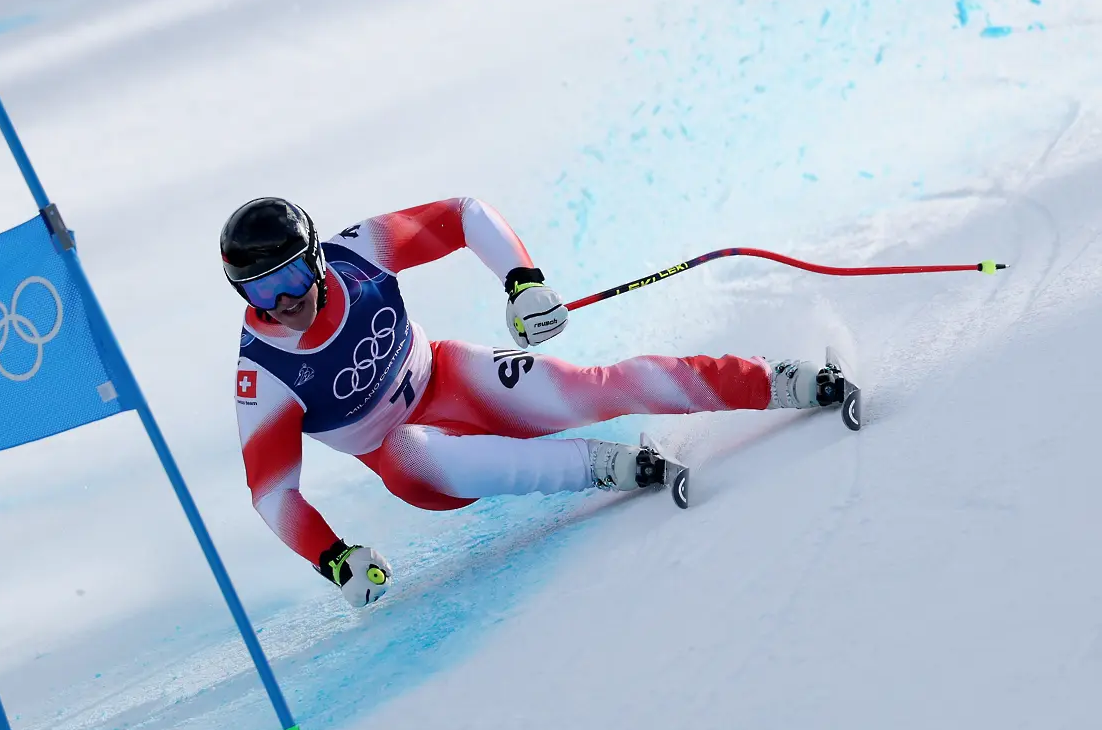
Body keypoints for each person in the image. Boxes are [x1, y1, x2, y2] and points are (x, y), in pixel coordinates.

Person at [223, 197, 846, 608]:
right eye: (260, 290)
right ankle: (604, 466)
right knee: (417, 451)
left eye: (291, 277)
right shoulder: (264, 375)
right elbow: (273, 493)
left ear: (315, 260)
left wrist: (523, 283)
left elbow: (463, 215)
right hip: (408, 459)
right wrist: (335, 559)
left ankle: (778, 382)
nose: (284, 301)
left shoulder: (359, 252)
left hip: (453, 377)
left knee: (592, 389)